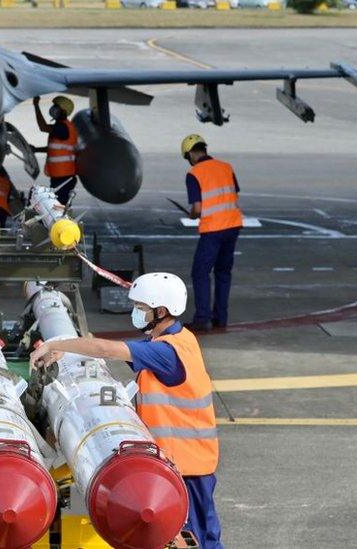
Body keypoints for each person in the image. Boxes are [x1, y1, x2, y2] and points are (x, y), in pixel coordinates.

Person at [29, 272, 223, 549]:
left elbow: (105, 349)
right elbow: (107, 350)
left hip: (187, 465)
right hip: (179, 461)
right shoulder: (173, 341)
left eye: (141, 308)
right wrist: (69, 351)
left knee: (195, 538)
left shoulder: (166, 353)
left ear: (161, 311)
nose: (136, 313)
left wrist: (55, 344)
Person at [181, 134, 242, 332]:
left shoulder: (194, 173)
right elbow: (233, 194)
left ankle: (202, 318)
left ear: (190, 153)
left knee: (200, 272)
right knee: (223, 272)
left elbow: (198, 208)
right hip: (232, 226)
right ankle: (220, 318)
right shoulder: (226, 167)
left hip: (213, 229)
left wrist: (192, 215)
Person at [33, 95, 78, 206]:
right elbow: (55, 149)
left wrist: (36, 105)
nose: (53, 109)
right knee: (58, 206)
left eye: (56, 107)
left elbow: (43, 127)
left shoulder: (63, 128)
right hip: (61, 175)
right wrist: (36, 149)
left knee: (59, 207)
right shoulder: (61, 127)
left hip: (64, 177)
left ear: (63, 111)